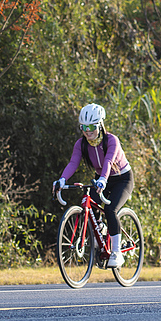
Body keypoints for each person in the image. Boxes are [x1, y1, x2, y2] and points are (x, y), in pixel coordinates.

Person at [52, 103, 134, 267]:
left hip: (122, 178)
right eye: (83, 127)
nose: (87, 130)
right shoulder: (81, 144)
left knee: (111, 209)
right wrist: (62, 180)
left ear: (101, 125)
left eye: (92, 126)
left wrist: (103, 179)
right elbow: (73, 163)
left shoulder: (112, 140)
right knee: (91, 206)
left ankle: (117, 253)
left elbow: (109, 162)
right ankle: (100, 236)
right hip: (101, 178)